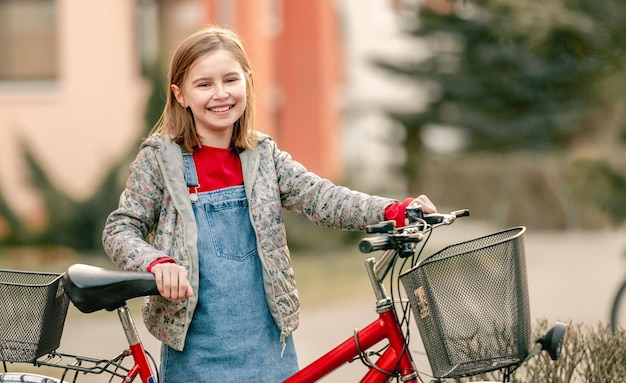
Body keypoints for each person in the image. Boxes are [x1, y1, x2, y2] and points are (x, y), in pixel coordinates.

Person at [102, 26, 437, 382]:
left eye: (230, 80)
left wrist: (393, 211)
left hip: (267, 346)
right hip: (195, 350)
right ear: (179, 94)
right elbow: (120, 229)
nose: (220, 94)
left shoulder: (264, 157)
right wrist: (157, 263)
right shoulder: (160, 160)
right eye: (204, 84)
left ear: (247, 82)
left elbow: (322, 198)